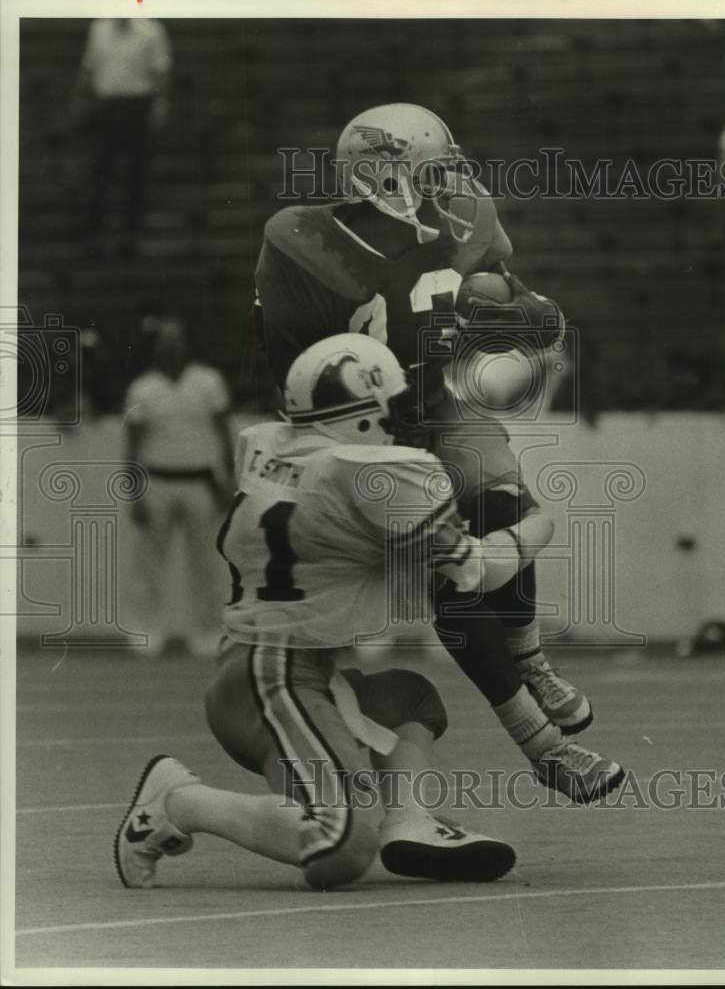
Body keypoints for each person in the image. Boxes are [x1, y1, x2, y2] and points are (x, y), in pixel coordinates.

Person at [252, 103, 624, 799]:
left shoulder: (462, 215)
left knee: (506, 505)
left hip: (440, 405)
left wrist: (509, 308)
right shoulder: (302, 238)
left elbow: (530, 309)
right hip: (363, 430)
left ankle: (529, 658)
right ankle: (544, 749)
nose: (447, 185)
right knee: (452, 578)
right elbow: (293, 370)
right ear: (379, 175)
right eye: (430, 171)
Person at [115, 334, 524, 891]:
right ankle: (182, 802)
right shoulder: (361, 471)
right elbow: (479, 569)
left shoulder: (277, 449)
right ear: (359, 419)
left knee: (412, 699)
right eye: (394, 409)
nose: (405, 421)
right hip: (273, 678)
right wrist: (533, 520)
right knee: (341, 846)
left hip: (290, 673)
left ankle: (409, 820)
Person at [123, 316, 233, 659]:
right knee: (150, 563)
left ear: (187, 344)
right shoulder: (142, 388)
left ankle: (208, 631)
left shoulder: (208, 382)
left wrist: (228, 478)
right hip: (157, 481)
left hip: (201, 482)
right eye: (164, 342)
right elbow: (133, 445)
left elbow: (223, 432)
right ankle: (146, 629)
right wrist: (135, 493)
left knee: (206, 563)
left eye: (176, 340)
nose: (170, 347)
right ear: (156, 348)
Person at [72, 17, 172, 244]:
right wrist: (79, 98)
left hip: (138, 106)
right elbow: (88, 67)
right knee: (100, 169)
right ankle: (94, 230)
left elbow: (162, 70)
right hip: (106, 106)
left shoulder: (152, 30)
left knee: (136, 172)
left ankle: (131, 233)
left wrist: (160, 104)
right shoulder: (98, 29)